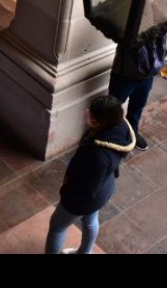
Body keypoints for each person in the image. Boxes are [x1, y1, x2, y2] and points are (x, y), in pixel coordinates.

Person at [44, 95, 135, 254]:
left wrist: (67, 195)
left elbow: (87, 190)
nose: (87, 114)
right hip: (104, 189)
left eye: (91, 114)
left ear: (99, 121)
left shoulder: (98, 156)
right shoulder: (119, 127)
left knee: (57, 227)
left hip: (84, 199)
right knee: (90, 221)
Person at [107, 30, 167, 152]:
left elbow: (162, 34)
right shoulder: (129, 22)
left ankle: (132, 131)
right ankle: (107, 134)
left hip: (148, 73)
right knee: (112, 106)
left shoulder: (156, 20)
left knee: (137, 105)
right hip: (125, 72)